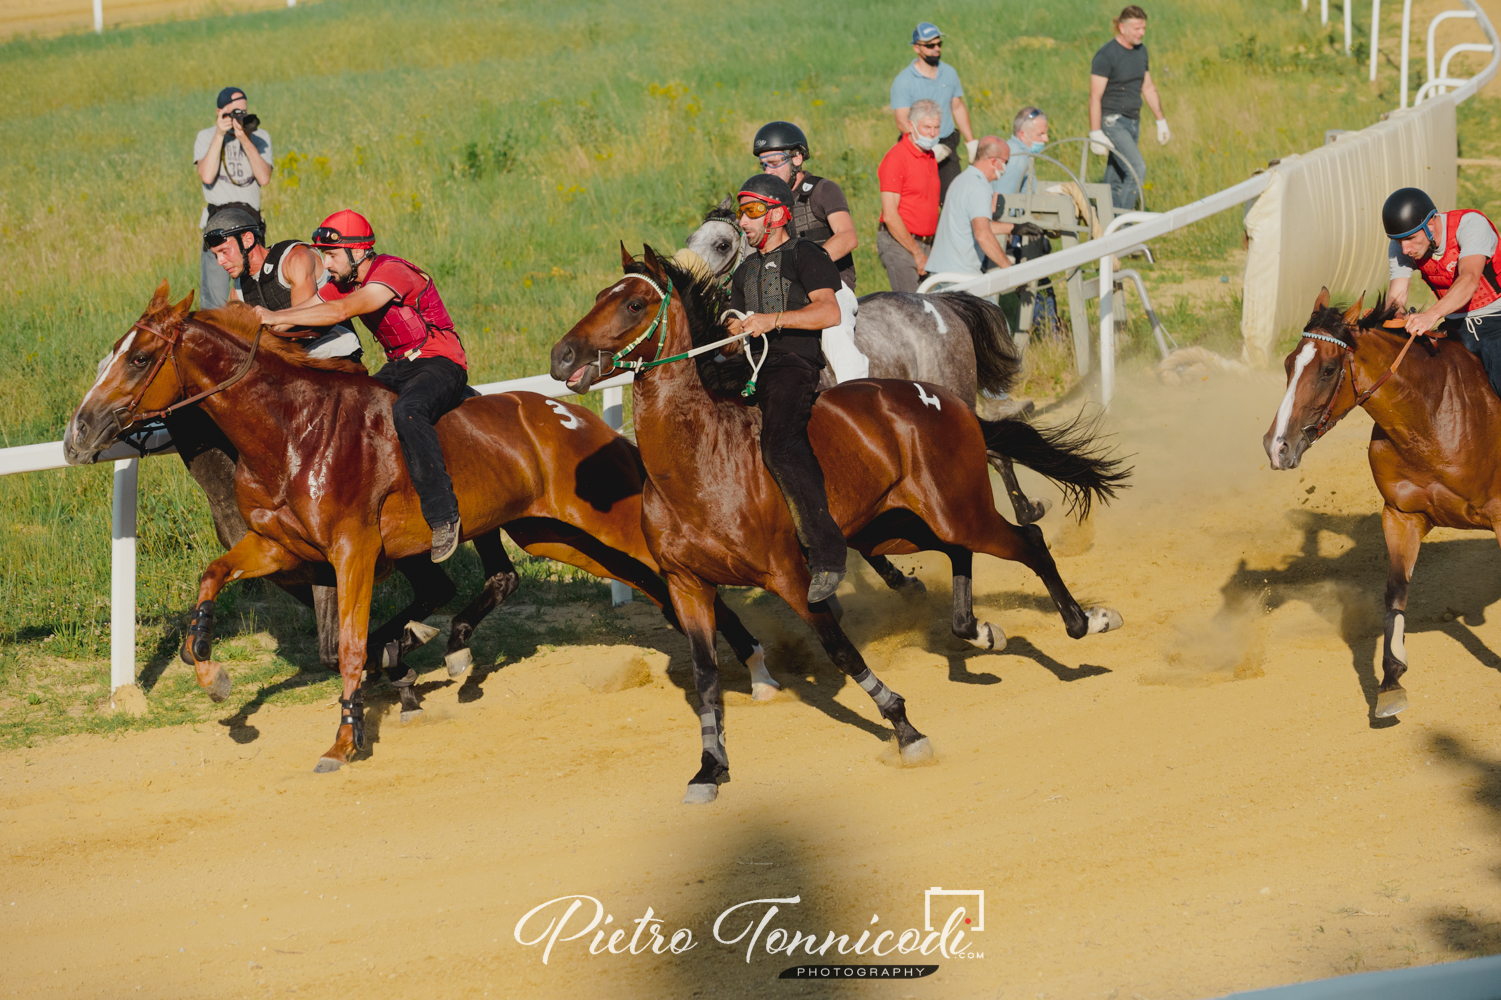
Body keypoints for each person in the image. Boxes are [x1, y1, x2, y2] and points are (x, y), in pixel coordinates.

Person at [253, 210, 469, 562]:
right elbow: (309, 309)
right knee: (348, 409)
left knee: (409, 412)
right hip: (399, 367)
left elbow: (341, 311)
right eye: (323, 254)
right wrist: (262, 327)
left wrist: (275, 316)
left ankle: (444, 516)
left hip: (440, 362)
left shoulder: (390, 273)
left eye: (332, 255)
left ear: (358, 252)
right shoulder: (345, 280)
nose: (326, 263)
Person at [722, 175, 847, 604]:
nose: (743, 221)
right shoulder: (743, 270)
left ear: (778, 214)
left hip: (793, 364)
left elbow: (829, 313)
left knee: (779, 445)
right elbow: (732, 327)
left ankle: (827, 554)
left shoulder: (805, 253)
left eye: (752, 211)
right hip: (751, 367)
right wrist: (734, 331)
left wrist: (771, 321)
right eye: (741, 212)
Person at [751, 121, 866, 381]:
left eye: (775, 161)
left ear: (798, 158)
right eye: (763, 164)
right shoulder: (766, 204)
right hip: (787, 288)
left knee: (836, 333)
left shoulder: (823, 190)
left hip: (833, 285)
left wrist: (807, 266)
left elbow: (847, 237)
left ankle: (857, 389)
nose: (768, 170)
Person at [201, 205, 362, 361]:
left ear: (247, 240)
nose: (220, 261)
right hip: (288, 366)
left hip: (334, 352)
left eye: (224, 251)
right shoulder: (238, 292)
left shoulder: (295, 259)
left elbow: (302, 326)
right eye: (216, 255)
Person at [1384, 187, 1501, 397]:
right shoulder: (1401, 246)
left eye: (1410, 238)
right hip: (1456, 327)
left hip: (1496, 321)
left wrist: (1430, 316)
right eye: (1399, 241)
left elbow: (1470, 278)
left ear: (1430, 223)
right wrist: (1391, 318)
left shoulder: (1471, 224)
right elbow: (1396, 298)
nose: (1405, 249)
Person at [194, 86, 272, 309]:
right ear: (220, 112)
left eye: (244, 111)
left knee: (255, 294)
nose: (241, 116)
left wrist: (244, 138)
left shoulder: (260, 137)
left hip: (250, 225)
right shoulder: (206, 136)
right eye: (234, 112)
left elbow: (264, 177)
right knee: (215, 301)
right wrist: (220, 134)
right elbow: (207, 175)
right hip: (217, 226)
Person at [1088, 6, 1170, 212]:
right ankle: (1123, 227)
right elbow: (1094, 96)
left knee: (1115, 176)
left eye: (1143, 28)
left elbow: (1148, 87)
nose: (1141, 33)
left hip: (1133, 121)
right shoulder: (1106, 55)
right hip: (1113, 122)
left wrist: (1161, 120)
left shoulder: (1141, 51)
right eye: (1136, 28)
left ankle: (1104, 224)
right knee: (1136, 169)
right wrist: (1095, 131)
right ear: (1122, 27)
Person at [890, 21, 977, 204]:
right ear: (917, 48)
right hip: (916, 148)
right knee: (921, 200)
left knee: (952, 200)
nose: (936, 48)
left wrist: (971, 142)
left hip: (946, 144)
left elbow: (957, 107)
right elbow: (901, 122)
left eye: (939, 44)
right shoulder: (904, 81)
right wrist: (926, 145)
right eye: (930, 45)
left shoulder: (949, 73)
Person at [877, 99, 943, 293]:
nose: (932, 133)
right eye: (927, 127)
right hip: (901, 243)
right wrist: (917, 253)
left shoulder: (929, 155)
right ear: (911, 126)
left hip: (927, 243)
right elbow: (890, 214)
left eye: (936, 128)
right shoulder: (897, 158)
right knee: (912, 308)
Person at [994, 106, 1049, 197]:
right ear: (1022, 135)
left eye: (1046, 133)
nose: (1046, 139)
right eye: (1040, 134)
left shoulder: (1017, 151)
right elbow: (1002, 202)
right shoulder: (1018, 160)